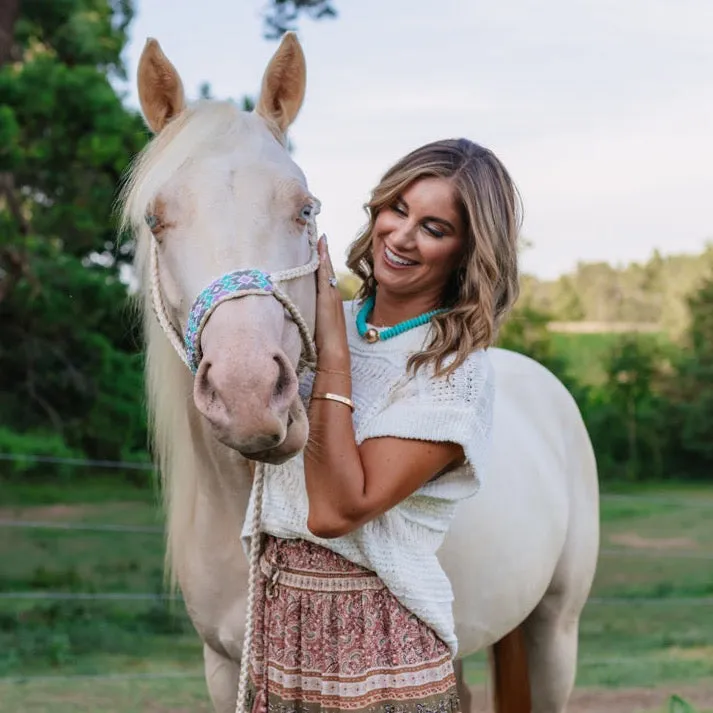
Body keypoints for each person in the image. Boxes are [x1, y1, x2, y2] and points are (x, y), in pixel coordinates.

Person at [242, 138, 521, 713]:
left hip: (382, 653)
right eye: (397, 208)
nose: (400, 236)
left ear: (468, 249)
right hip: (279, 631)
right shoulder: (313, 322)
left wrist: (333, 353)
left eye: (434, 227)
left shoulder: (456, 373)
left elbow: (336, 510)